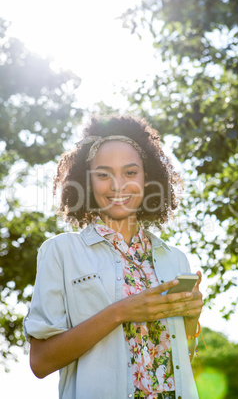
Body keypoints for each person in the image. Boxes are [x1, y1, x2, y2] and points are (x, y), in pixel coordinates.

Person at [24, 115, 203, 399]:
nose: (118, 185)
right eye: (104, 174)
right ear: (86, 181)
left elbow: (176, 362)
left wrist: (192, 317)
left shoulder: (175, 259)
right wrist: (122, 312)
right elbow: (41, 361)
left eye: (131, 172)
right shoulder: (61, 252)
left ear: (148, 178)